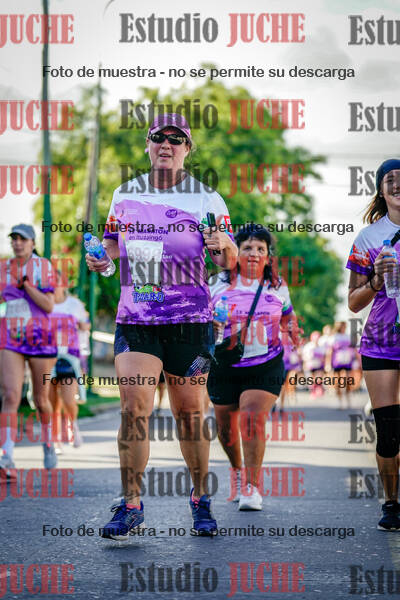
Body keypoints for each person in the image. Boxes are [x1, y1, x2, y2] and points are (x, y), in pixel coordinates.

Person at [86, 113, 237, 539]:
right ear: (148, 145)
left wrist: (224, 245)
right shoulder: (125, 194)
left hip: (190, 320)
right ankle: (131, 503)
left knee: (189, 413)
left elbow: (228, 260)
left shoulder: (207, 198)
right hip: (138, 317)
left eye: (176, 138)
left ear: (187, 148)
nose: (166, 144)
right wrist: (103, 259)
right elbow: (112, 243)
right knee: (134, 408)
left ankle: (201, 498)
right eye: (158, 137)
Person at [207, 225, 299, 510]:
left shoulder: (277, 286)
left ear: (268, 255)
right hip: (224, 364)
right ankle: (237, 471)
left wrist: (293, 334)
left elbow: (289, 317)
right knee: (225, 429)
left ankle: (251, 487)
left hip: (266, 363)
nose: (254, 253)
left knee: (251, 418)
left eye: (261, 248)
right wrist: (212, 324)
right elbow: (199, 321)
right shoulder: (215, 284)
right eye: (247, 247)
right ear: (235, 251)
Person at [347, 158, 400, 531]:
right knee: (389, 431)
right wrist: (377, 280)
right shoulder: (368, 238)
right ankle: (391, 503)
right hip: (382, 341)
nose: (397, 184)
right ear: (381, 190)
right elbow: (354, 302)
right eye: (389, 179)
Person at [0, 224, 57, 472]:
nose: (18, 243)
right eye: (14, 239)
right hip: (11, 337)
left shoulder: (42, 267)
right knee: (10, 395)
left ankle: (48, 443)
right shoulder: (4, 268)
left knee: (41, 400)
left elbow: (49, 305)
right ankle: (6, 456)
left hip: (39, 338)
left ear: (33, 243)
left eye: (22, 239)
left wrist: (26, 286)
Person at [49, 278, 89, 452]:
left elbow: (87, 325)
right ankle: (55, 440)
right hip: (48, 357)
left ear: (63, 285)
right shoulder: (43, 303)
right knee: (52, 403)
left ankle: (73, 425)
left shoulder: (74, 304)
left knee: (68, 400)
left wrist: (83, 325)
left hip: (70, 358)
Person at [325, 321, 354, 409]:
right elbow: (329, 351)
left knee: (348, 380)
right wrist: (328, 363)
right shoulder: (334, 337)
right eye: (343, 326)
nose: (344, 328)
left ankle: (348, 398)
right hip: (337, 361)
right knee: (337, 381)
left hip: (347, 361)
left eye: (345, 326)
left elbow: (352, 349)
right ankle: (339, 400)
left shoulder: (348, 336)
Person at [302, 331, 325, 398]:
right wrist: (305, 364)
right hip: (310, 366)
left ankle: (318, 390)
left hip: (319, 366)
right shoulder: (308, 346)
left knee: (318, 379)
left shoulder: (321, 347)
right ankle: (313, 391)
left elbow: (324, 356)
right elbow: (304, 357)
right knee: (311, 380)